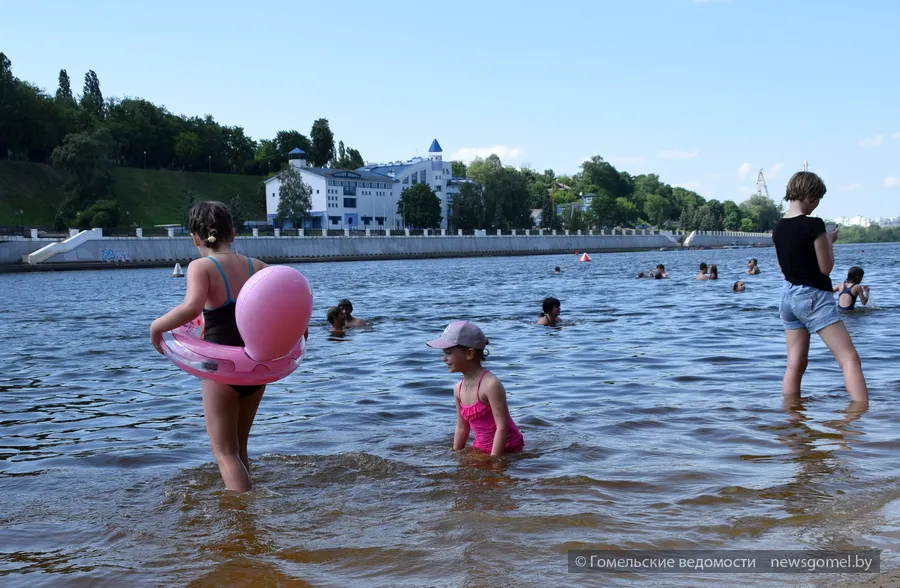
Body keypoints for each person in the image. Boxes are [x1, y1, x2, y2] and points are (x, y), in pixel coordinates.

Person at [150, 201, 269, 492]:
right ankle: (249, 514)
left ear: (195, 238)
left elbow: (191, 309)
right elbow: (285, 309)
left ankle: (242, 516)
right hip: (255, 368)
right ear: (234, 233)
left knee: (224, 453)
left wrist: (157, 327)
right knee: (239, 447)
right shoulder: (259, 267)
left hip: (222, 368)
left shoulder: (201, 267)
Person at [772, 172, 867, 403]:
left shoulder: (779, 227)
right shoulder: (814, 224)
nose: (817, 205)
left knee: (795, 364)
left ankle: (792, 415)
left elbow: (789, 263)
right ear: (809, 195)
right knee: (849, 359)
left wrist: (825, 240)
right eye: (817, 199)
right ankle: (860, 415)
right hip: (813, 295)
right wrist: (828, 243)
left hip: (787, 296)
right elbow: (825, 268)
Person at [426, 321, 524, 456]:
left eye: (448, 352)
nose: (444, 359)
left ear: (469, 354)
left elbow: (502, 427)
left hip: (506, 447)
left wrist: (495, 461)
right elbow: (461, 427)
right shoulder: (458, 389)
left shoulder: (490, 384)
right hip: (481, 446)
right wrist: (455, 455)